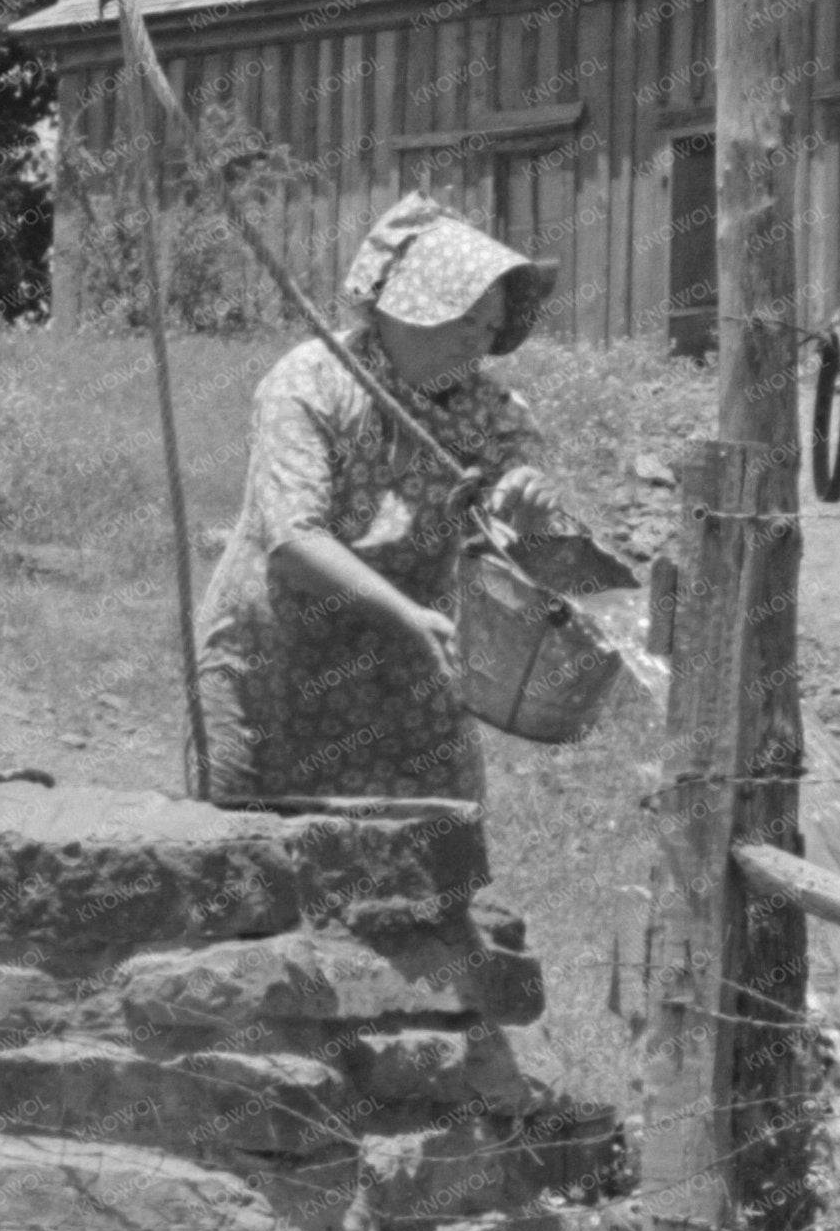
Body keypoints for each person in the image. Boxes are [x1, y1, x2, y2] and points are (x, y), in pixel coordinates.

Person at [193, 193, 579, 805]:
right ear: (401, 310)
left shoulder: (493, 412)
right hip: (275, 657)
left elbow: (534, 544)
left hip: (405, 668)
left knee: (428, 859)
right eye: (462, 318)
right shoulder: (312, 381)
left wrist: (526, 513)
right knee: (245, 856)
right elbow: (294, 541)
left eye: (488, 326)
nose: (475, 342)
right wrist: (405, 613)